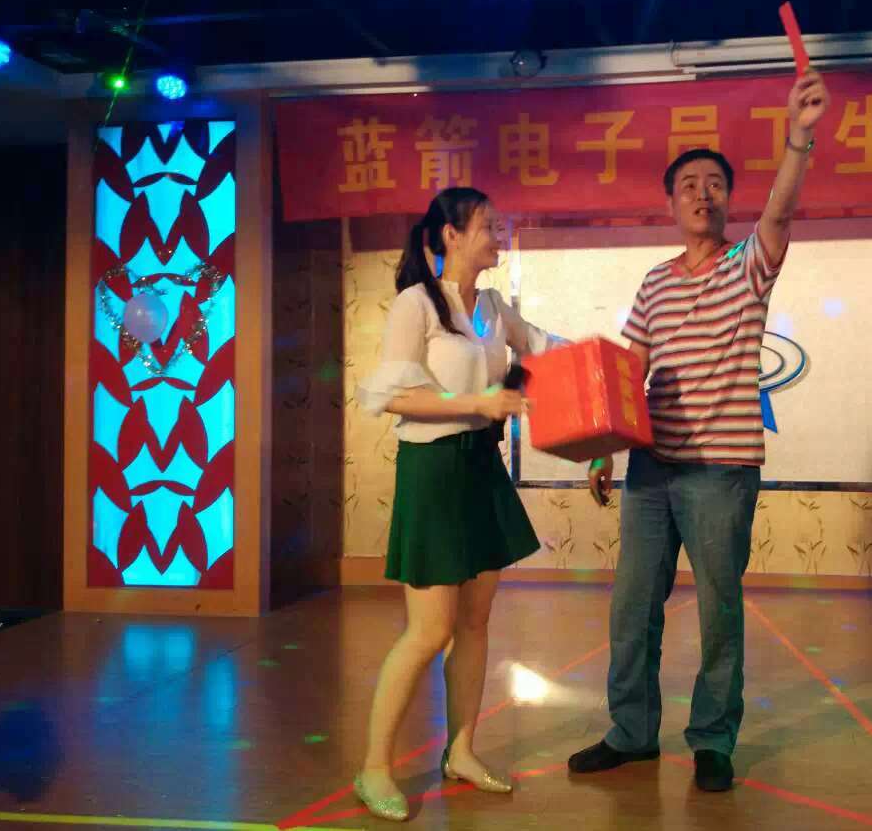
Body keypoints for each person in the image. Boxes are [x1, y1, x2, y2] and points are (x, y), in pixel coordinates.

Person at [569, 70, 828, 792]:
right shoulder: (654, 282)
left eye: (714, 183)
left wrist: (798, 137)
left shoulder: (749, 266)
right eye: (688, 185)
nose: (702, 193)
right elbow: (631, 371)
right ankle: (631, 733)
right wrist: (602, 448)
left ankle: (713, 739)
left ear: (728, 199)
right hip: (651, 470)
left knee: (718, 611)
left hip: (722, 470)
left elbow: (780, 213)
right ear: (670, 202)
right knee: (632, 607)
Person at [351, 187, 565, 821]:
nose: (498, 234)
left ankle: (462, 751)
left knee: (474, 623)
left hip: (480, 467)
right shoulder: (416, 303)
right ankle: (373, 768)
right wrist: (478, 402)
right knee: (429, 631)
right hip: (434, 469)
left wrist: (616, 360)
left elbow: (545, 349)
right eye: (487, 225)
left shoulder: (494, 307)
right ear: (450, 234)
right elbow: (392, 397)